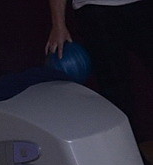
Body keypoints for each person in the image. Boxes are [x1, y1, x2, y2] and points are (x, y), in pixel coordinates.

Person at [45, 0, 153, 132]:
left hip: (142, 5)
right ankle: (125, 149)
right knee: (117, 91)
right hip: (95, 9)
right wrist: (58, 24)